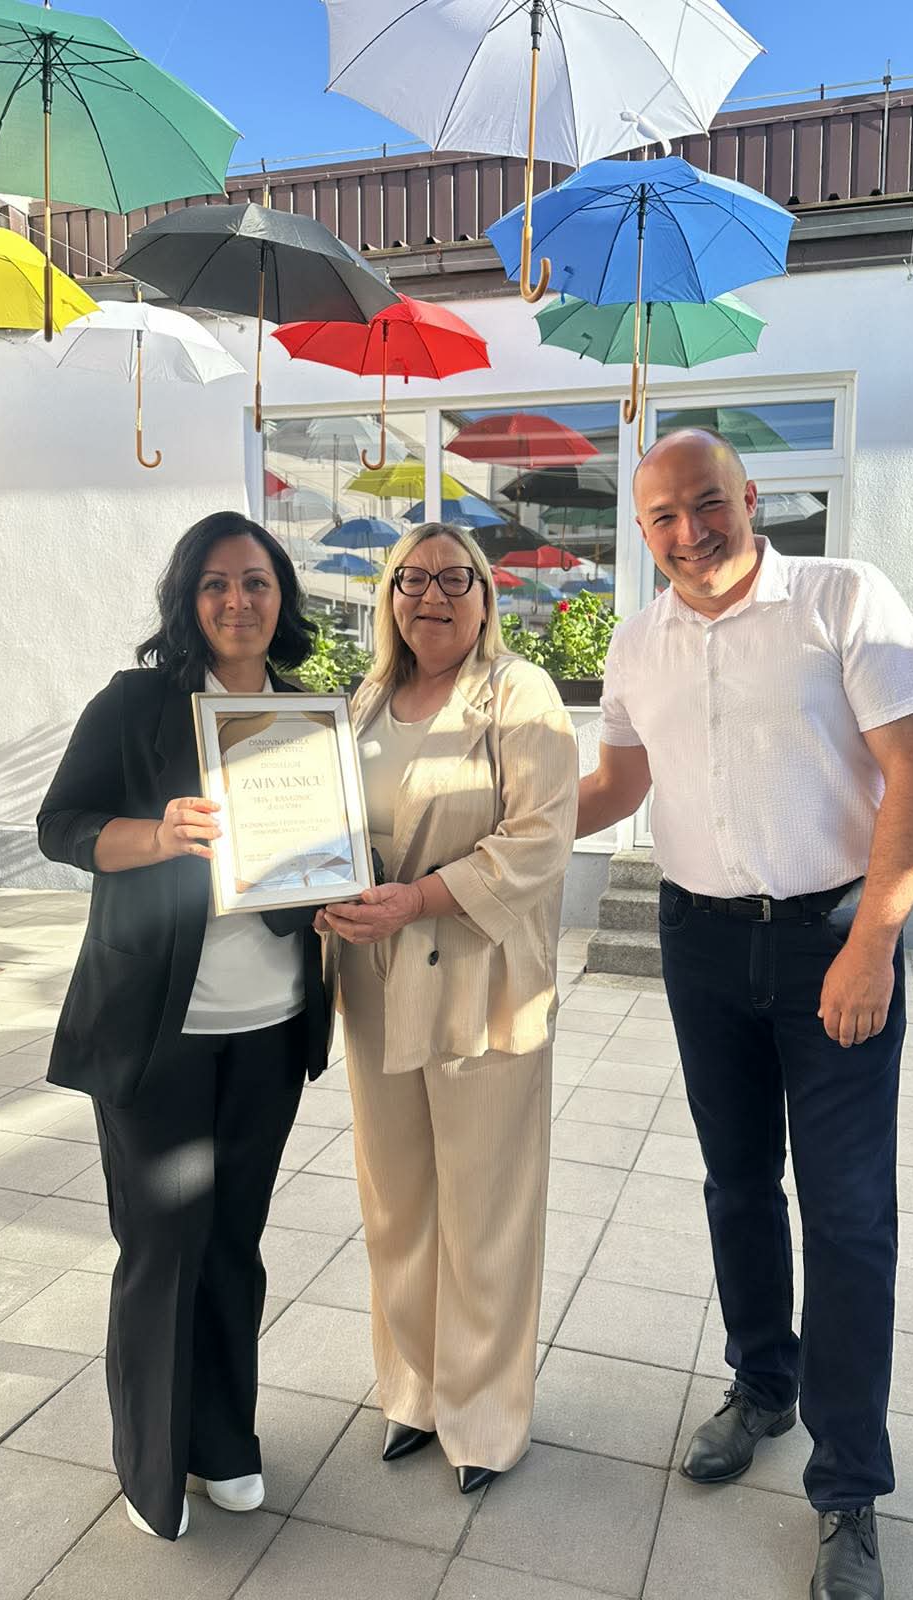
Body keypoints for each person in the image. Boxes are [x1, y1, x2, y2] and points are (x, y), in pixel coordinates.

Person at [577, 431, 913, 1600]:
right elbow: (620, 783)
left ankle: (848, 1487)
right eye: (663, 518)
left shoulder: (842, 600)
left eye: (707, 504)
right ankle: (762, 1384)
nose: (690, 533)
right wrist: (489, 813)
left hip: (832, 937)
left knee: (849, 1217)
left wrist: (873, 942)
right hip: (698, 939)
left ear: (748, 497)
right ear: (643, 531)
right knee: (737, 1183)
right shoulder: (637, 642)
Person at [37, 510, 331, 1542]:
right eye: (215, 583)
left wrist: (345, 874)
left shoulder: (308, 717)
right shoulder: (138, 704)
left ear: (282, 598)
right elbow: (62, 827)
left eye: (256, 582)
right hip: (154, 1030)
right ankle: (152, 1465)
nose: (237, 601)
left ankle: (224, 1442)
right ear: (188, 599)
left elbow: (325, 857)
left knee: (233, 1243)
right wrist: (160, 834)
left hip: (269, 1026)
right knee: (163, 1243)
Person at [316, 521, 577, 1495]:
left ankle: (486, 1417)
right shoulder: (364, 701)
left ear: (484, 593)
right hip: (376, 980)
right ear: (388, 595)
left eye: (453, 578)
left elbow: (541, 838)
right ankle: (414, 1391)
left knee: (485, 1207)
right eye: (412, 579)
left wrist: (417, 898)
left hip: (479, 978)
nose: (431, 596)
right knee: (397, 1199)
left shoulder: (520, 693)